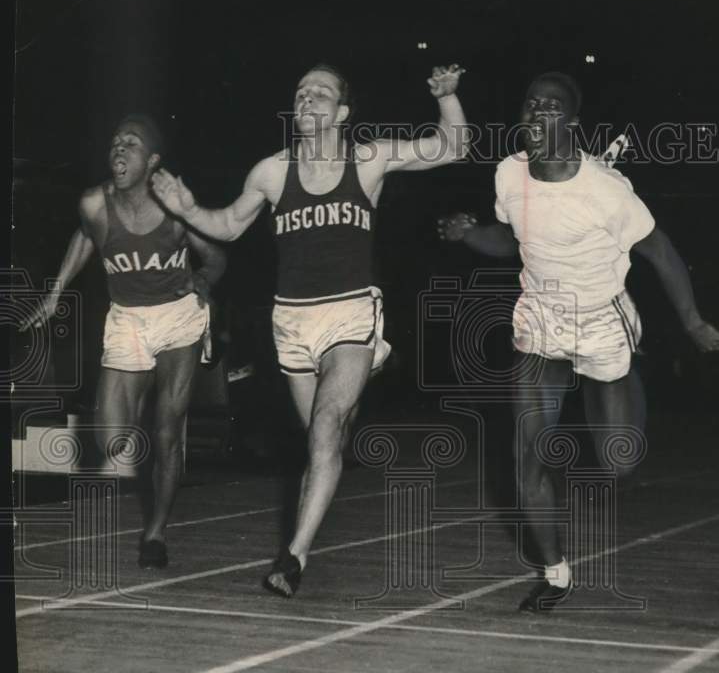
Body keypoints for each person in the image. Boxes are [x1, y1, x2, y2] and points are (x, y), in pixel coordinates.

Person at [151, 63, 469, 597]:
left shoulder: (367, 159)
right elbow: (229, 225)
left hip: (351, 311)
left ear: (343, 113)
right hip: (292, 322)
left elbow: (451, 146)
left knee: (325, 427)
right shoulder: (272, 172)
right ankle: (344, 425)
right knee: (324, 437)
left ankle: (294, 556)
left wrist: (448, 99)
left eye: (321, 93)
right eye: (301, 92)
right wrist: (186, 208)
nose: (308, 99)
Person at [439, 72, 719, 612]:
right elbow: (511, 241)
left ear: (572, 123)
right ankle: (555, 574)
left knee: (619, 459)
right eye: (529, 104)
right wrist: (468, 235)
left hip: (603, 320)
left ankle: (630, 373)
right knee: (527, 457)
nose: (535, 113)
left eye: (550, 107)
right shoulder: (508, 173)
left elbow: (663, 253)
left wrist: (694, 325)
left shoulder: (605, 189)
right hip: (539, 319)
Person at [19, 114, 226, 569]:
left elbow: (216, 256)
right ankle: (136, 390)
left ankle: (155, 533)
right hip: (128, 318)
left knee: (168, 432)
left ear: (152, 160)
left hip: (177, 317)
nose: (119, 149)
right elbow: (85, 237)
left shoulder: (174, 209)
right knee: (111, 441)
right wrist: (55, 294)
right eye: (115, 142)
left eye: (131, 144)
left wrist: (204, 281)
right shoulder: (95, 203)